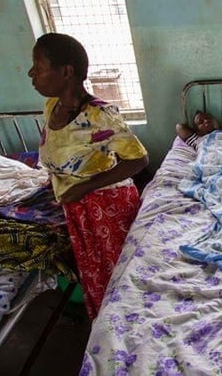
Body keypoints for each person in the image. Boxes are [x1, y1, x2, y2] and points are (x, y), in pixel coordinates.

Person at [28, 32, 149, 319]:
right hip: (78, 211)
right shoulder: (51, 107)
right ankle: (105, 333)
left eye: (39, 66)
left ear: (66, 72)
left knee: (120, 278)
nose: (31, 72)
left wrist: (85, 188)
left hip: (107, 209)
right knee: (94, 275)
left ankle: (130, 333)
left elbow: (139, 159)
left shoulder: (100, 116)